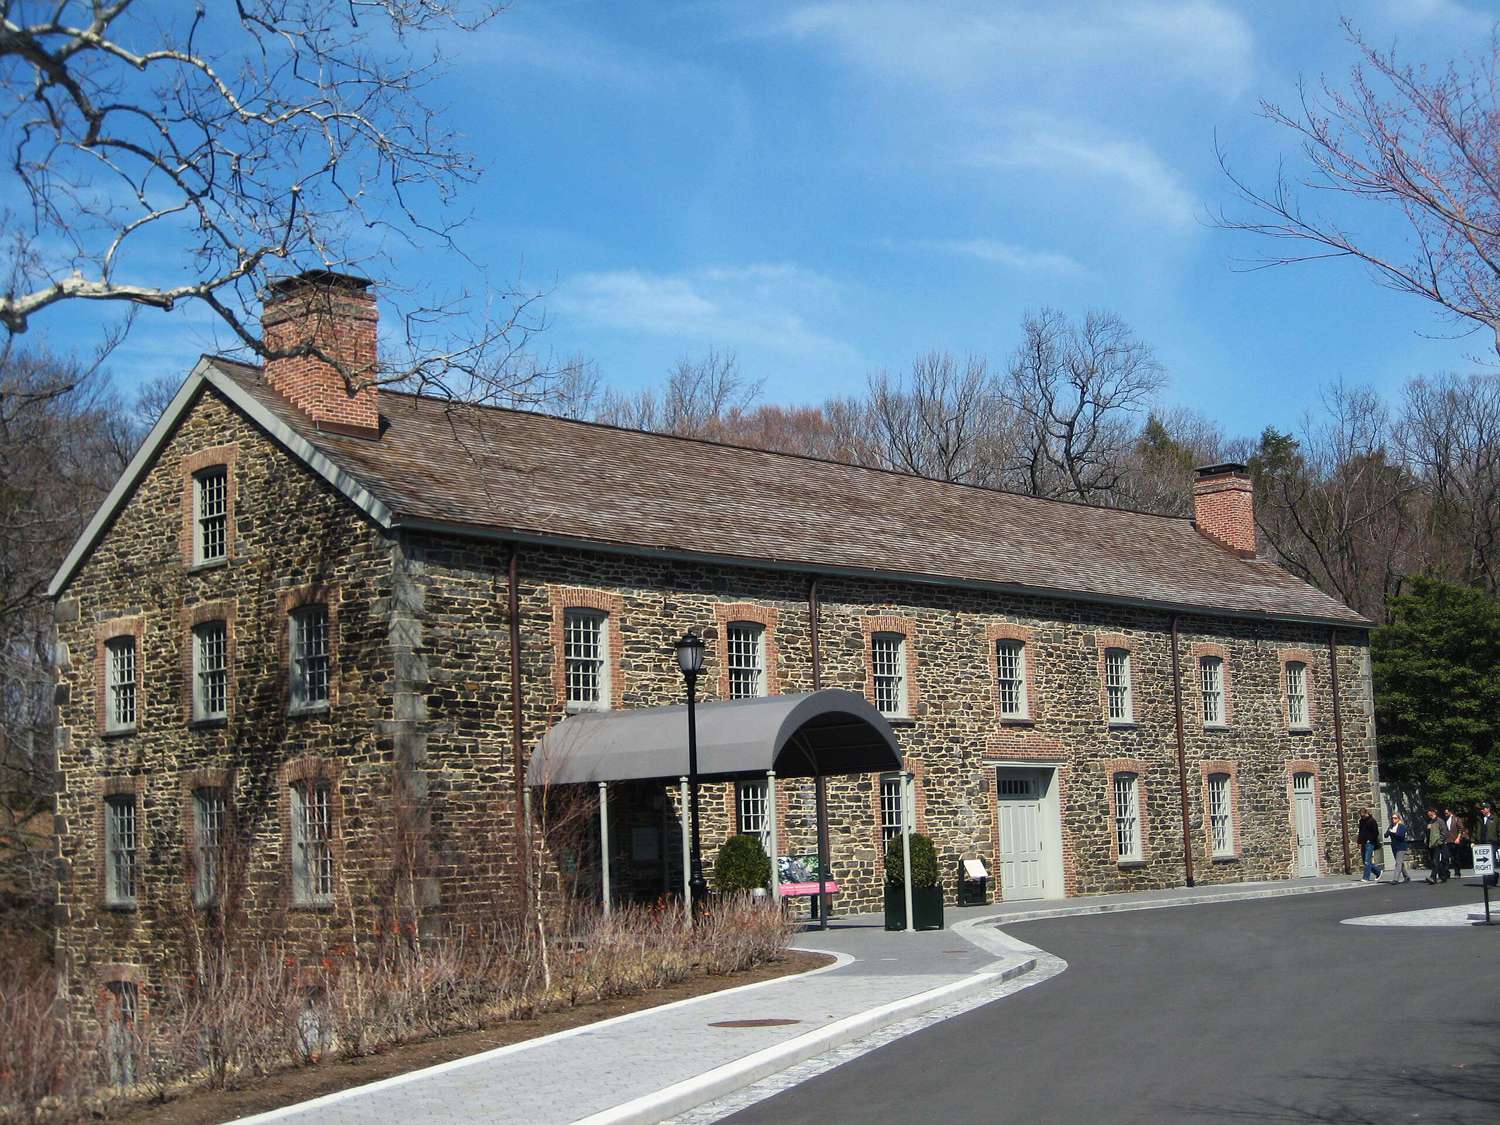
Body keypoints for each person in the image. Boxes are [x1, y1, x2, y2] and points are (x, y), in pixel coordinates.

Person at [1356, 808, 1383, 881]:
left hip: (1370, 843)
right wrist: (1359, 842)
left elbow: (1376, 832)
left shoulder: (1372, 821)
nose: (1362, 817)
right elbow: (1361, 832)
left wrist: (1370, 840)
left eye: (1363, 816)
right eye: (1361, 816)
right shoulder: (1362, 821)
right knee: (1365, 860)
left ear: (1365, 814)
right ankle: (1378, 871)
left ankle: (1366, 877)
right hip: (1363, 842)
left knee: (1367, 860)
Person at [1477, 801, 1499, 887]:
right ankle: (1491, 878)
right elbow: (1477, 831)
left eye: (1483, 808)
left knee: (1491, 861)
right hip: (1483, 843)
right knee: (1484, 863)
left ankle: (1491, 880)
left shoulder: (1495, 819)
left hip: (1492, 843)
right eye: (1481, 809)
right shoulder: (1480, 819)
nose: (1482, 810)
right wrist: (1474, 841)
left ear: (1488, 809)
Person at [1385, 811, 1410, 883]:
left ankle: (1395, 879)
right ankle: (1406, 876)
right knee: (1400, 862)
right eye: (1392, 818)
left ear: (1399, 819)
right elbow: (1385, 835)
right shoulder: (1391, 826)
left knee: (1398, 863)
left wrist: (1393, 833)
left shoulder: (1402, 826)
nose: (1393, 820)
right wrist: (1389, 832)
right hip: (1394, 846)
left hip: (1401, 847)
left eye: (1395, 818)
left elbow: (1401, 836)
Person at [1424, 808, 1448, 884]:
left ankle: (1433, 877)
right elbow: (1428, 833)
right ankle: (1443, 876)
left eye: (1429, 812)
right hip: (1431, 844)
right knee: (1435, 861)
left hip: (1437, 844)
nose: (1428, 814)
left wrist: (1439, 842)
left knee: (1435, 861)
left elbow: (1444, 832)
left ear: (1433, 812)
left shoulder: (1439, 821)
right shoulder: (1430, 822)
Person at [1444, 807, 1467, 879]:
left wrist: (1458, 838)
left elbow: (1461, 829)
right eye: (1445, 813)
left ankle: (1457, 872)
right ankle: (1446, 873)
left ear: (1450, 812)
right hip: (1447, 841)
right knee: (1446, 857)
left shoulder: (1456, 819)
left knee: (1455, 858)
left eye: (1446, 813)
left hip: (1454, 841)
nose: (1445, 814)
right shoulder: (1445, 820)